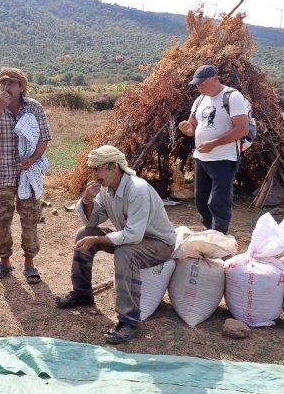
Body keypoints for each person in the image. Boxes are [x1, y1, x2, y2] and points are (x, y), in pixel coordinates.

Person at [56, 145, 176, 344]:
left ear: (114, 167)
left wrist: (99, 240)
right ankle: (82, 293)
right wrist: (87, 200)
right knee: (84, 233)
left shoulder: (138, 190)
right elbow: (92, 222)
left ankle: (129, 320)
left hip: (159, 243)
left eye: (98, 168)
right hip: (132, 238)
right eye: (93, 169)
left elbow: (133, 235)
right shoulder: (106, 190)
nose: (94, 174)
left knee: (125, 252)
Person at [0, 67, 52, 285]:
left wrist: (34, 158)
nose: (6, 87)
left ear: (21, 87)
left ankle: (29, 263)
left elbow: (44, 138)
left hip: (29, 173)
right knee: (1, 220)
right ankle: (4, 261)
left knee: (30, 218)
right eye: (3, 83)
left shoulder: (34, 107)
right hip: (2, 174)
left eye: (12, 83)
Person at [178, 65, 249, 234]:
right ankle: (212, 234)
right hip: (202, 158)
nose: (199, 87)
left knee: (218, 202)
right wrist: (186, 128)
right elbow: (191, 128)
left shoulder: (232, 97)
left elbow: (242, 129)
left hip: (224, 158)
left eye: (203, 83)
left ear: (216, 78)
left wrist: (213, 143)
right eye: (197, 84)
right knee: (201, 202)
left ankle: (219, 237)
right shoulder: (200, 100)